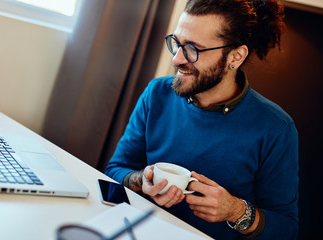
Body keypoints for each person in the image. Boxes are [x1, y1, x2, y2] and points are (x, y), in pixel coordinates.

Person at [105, 0, 299, 239]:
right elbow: (114, 170)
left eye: (193, 49)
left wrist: (235, 211)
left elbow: (286, 228)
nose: (177, 59)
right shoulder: (156, 94)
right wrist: (140, 180)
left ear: (235, 57)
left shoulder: (276, 128)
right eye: (176, 43)